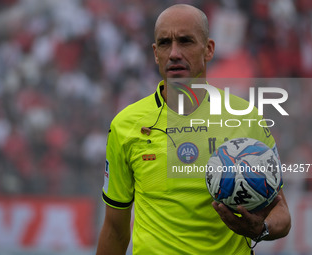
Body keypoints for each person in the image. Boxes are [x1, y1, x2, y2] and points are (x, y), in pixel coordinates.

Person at [97, 4, 291, 255]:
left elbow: (282, 213)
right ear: (156, 54)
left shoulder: (246, 118)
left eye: (186, 41)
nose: (174, 53)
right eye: (165, 44)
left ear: (208, 49)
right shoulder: (125, 125)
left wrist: (260, 229)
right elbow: (115, 228)